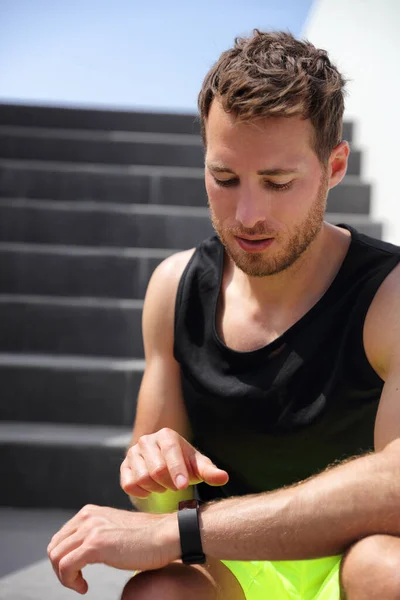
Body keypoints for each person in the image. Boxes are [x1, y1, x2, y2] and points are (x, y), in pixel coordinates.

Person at [47, 30, 400, 599]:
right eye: (225, 178)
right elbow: (155, 502)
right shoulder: (175, 287)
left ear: (334, 167)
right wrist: (156, 471)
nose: (247, 215)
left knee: (389, 572)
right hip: (231, 568)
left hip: (354, 561)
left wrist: (181, 530)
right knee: (159, 593)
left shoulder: (391, 296)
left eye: (278, 182)